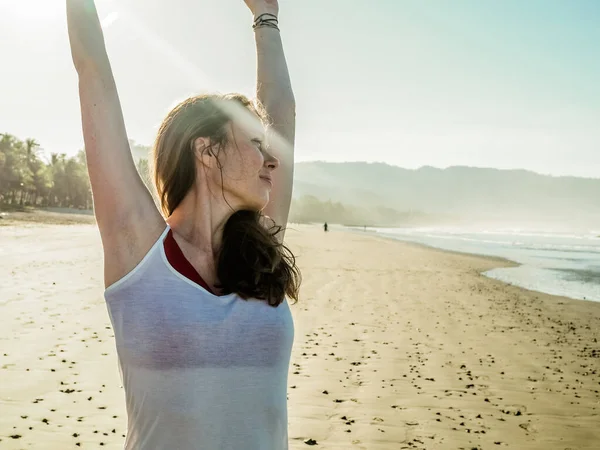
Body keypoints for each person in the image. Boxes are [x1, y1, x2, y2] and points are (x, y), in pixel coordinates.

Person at [67, 0, 300, 448]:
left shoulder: (260, 252)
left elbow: (282, 111)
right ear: (206, 150)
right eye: (255, 142)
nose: (272, 159)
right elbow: (93, 71)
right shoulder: (139, 253)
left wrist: (266, 15)